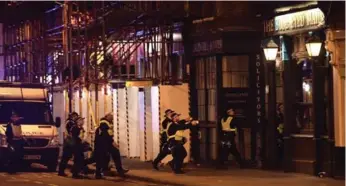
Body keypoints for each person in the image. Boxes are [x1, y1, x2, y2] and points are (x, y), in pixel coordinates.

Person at [94, 113, 128, 179]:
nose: (112, 117)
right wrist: (112, 142)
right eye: (111, 116)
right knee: (102, 158)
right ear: (107, 116)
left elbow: (109, 134)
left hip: (106, 143)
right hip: (102, 144)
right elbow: (106, 135)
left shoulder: (108, 123)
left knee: (112, 155)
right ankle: (99, 172)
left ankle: (118, 170)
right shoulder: (104, 124)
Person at [58, 112, 79, 176]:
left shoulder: (69, 122)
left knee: (67, 157)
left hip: (69, 142)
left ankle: (62, 171)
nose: (76, 118)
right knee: (66, 157)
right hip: (69, 143)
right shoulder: (70, 123)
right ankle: (62, 171)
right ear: (73, 116)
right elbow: (72, 132)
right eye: (76, 116)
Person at [276, 103, 284, 168]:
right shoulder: (278, 117)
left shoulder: (283, 116)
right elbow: (278, 127)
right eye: (281, 108)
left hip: (282, 135)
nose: (282, 109)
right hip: (279, 135)